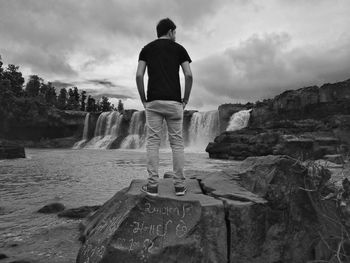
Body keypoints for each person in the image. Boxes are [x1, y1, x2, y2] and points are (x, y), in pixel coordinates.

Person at [136, 18, 193, 196]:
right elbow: (189, 75)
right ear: (170, 32)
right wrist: (185, 100)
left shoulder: (146, 49)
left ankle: (152, 186)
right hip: (175, 102)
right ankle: (179, 186)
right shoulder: (180, 49)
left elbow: (139, 75)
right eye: (174, 32)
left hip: (153, 102)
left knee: (153, 142)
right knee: (177, 143)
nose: (175, 35)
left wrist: (144, 100)